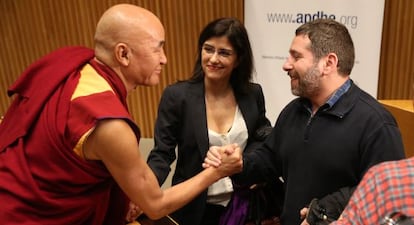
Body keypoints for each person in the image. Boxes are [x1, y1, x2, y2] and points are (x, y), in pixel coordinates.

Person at [0, 4, 242, 225]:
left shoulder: (76, 67)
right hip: (31, 217)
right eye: (158, 49)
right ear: (123, 54)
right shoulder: (110, 124)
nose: (164, 59)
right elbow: (156, 206)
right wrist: (218, 171)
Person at [204, 18, 405, 225]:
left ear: (328, 63)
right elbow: (269, 161)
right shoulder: (294, 111)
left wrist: (323, 210)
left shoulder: (377, 124)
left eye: (296, 56)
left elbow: (387, 193)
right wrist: (239, 164)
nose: (286, 65)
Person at [146, 17, 283, 225]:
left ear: (238, 59)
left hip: (242, 206)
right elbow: (161, 154)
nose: (213, 59)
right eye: (208, 49)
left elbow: (261, 133)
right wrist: (144, 191)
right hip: (193, 207)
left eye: (224, 53)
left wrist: (244, 161)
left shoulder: (252, 93)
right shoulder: (177, 96)